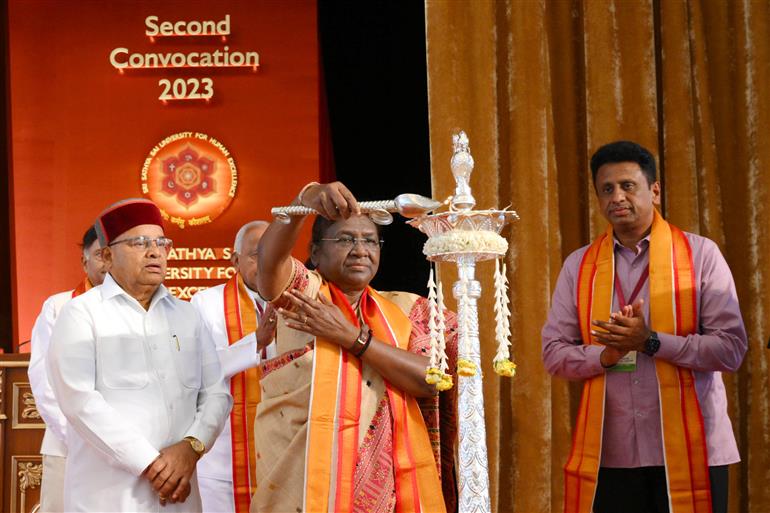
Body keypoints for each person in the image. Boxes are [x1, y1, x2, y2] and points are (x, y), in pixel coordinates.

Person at [541, 141, 747, 513]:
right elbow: (553, 354)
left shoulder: (700, 255)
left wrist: (651, 341)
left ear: (654, 190)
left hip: (696, 449)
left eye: (627, 185)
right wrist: (605, 355)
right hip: (610, 454)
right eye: (607, 189)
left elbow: (730, 349)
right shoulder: (579, 265)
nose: (616, 197)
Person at [251, 182, 458, 513]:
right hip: (302, 487)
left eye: (370, 241)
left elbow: (432, 379)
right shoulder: (303, 296)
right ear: (315, 252)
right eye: (345, 239)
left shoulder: (403, 310)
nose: (361, 249)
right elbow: (268, 261)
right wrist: (303, 198)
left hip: (388, 491)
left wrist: (353, 338)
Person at [47, 198, 232, 512]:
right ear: (107, 256)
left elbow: (216, 393)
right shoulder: (82, 314)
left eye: (162, 243)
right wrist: (153, 466)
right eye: (139, 243)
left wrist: (191, 447)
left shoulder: (188, 316)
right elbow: (79, 401)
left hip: (179, 495)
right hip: (109, 496)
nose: (154, 251)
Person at [190, 220, 278, 513]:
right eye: (256, 254)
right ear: (235, 259)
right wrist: (256, 341)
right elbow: (197, 369)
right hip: (223, 454)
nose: (266, 262)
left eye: (274, 252)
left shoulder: (296, 303)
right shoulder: (205, 303)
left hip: (283, 449)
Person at [28, 225, 108, 513]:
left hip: (125, 453)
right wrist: (80, 436)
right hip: (68, 445)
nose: (107, 263)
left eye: (112, 255)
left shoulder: (140, 309)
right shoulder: (58, 306)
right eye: (100, 254)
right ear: (84, 260)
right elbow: (43, 381)